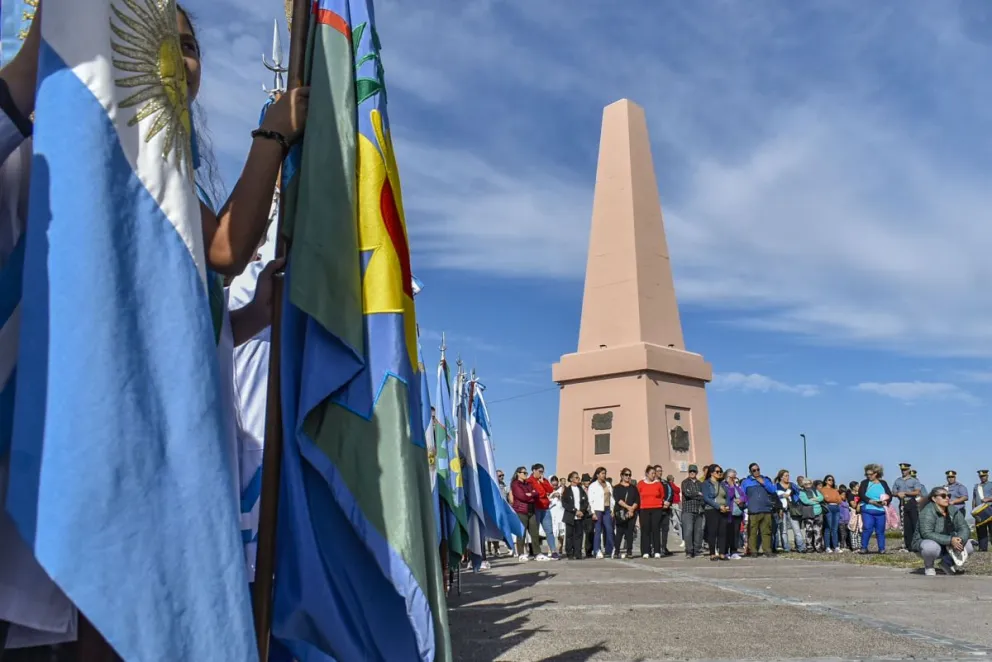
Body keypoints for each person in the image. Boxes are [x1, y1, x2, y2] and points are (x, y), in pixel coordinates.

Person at [912, 487, 974, 576]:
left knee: (969, 546)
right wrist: (950, 540)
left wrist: (959, 539)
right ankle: (929, 566)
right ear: (934, 498)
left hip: (948, 544)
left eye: (948, 495)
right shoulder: (927, 511)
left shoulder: (953, 510)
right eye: (943, 496)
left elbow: (964, 527)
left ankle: (947, 563)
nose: (947, 498)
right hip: (926, 544)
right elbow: (927, 533)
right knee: (930, 547)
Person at [742, 463, 778, 556]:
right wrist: (747, 504)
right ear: (750, 472)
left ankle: (767, 550)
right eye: (754, 470)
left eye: (758, 469)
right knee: (752, 532)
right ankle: (753, 551)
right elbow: (742, 495)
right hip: (753, 510)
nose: (757, 471)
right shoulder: (746, 482)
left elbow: (773, 490)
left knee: (766, 532)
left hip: (766, 509)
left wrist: (763, 483)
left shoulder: (765, 479)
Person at [510, 467, 545, 561]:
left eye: (526, 473)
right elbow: (522, 497)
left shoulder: (529, 484)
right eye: (524, 473)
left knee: (534, 532)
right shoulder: (515, 484)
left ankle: (537, 553)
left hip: (531, 511)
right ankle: (521, 553)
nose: (526, 474)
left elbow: (537, 494)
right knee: (521, 533)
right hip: (521, 511)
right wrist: (530, 495)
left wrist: (531, 494)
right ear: (518, 473)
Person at [857, 463, 892, 553]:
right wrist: (871, 501)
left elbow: (889, 495)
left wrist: (885, 502)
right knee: (867, 528)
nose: (868, 476)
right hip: (868, 509)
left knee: (880, 531)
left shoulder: (883, 483)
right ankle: (864, 547)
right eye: (867, 474)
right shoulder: (864, 483)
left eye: (870, 474)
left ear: (876, 473)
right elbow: (861, 494)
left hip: (881, 510)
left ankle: (882, 549)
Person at [527, 464, 559, 560]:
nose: (541, 473)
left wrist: (543, 483)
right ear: (534, 470)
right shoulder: (529, 481)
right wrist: (543, 492)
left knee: (549, 531)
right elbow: (538, 493)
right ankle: (536, 551)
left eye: (542, 471)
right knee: (534, 531)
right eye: (540, 471)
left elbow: (550, 489)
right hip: (536, 508)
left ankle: (553, 551)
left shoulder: (544, 480)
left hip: (545, 508)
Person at [701, 464, 730, 561]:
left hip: (723, 510)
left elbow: (728, 496)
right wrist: (718, 506)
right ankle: (712, 553)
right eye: (717, 471)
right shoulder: (706, 484)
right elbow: (706, 498)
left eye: (720, 471)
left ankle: (722, 553)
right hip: (712, 509)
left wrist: (727, 506)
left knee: (723, 532)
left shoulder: (722, 484)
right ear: (712, 473)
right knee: (712, 532)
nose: (720, 473)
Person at [892, 463, 923, 553]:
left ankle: (916, 544)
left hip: (912, 502)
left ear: (909, 470)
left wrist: (905, 493)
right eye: (902, 470)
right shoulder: (898, 481)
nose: (903, 471)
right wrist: (897, 494)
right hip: (902, 503)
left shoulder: (914, 480)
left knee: (915, 524)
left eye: (905, 470)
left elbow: (917, 491)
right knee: (906, 525)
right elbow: (893, 491)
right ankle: (908, 545)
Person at [637, 465, 666, 558]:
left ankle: (657, 550)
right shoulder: (641, 483)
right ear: (647, 474)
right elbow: (637, 495)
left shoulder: (658, 484)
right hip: (644, 509)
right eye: (652, 473)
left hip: (656, 508)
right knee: (645, 530)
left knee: (656, 529)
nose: (654, 475)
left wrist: (659, 503)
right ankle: (646, 551)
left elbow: (662, 495)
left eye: (654, 473)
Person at [587, 467, 615, 559]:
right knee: (598, 531)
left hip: (607, 509)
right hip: (597, 510)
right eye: (602, 473)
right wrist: (593, 512)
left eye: (605, 473)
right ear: (597, 475)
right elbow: (590, 500)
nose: (604, 475)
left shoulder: (608, 484)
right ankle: (597, 550)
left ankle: (609, 550)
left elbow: (611, 498)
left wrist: (612, 509)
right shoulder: (593, 486)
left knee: (609, 529)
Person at [561, 472, 589, 560]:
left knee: (579, 535)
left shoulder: (581, 489)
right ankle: (569, 553)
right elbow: (564, 503)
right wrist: (574, 511)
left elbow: (585, 501)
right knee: (569, 535)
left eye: (578, 477)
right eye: (576, 477)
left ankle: (578, 553)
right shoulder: (567, 490)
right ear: (571, 479)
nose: (578, 479)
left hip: (580, 516)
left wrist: (582, 511)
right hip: (570, 516)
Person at [612, 468, 639, 559]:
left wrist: (632, 510)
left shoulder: (633, 488)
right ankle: (616, 551)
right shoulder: (616, 488)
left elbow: (637, 500)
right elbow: (618, 500)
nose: (628, 477)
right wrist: (628, 508)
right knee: (619, 532)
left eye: (629, 475)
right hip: (620, 513)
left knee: (629, 533)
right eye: (626, 475)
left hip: (631, 513)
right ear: (622, 476)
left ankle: (629, 551)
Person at [680, 465, 705, 558]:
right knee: (688, 530)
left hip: (699, 510)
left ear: (696, 472)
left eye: (694, 471)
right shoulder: (685, 482)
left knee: (698, 531)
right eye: (691, 471)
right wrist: (698, 493)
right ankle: (689, 551)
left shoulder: (700, 483)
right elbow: (687, 493)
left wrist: (697, 495)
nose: (692, 473)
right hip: (688, 510)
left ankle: (697, 550)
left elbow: (703, 496)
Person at [724, 469, 746, 559]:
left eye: (735, 477)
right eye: (733, 477)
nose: (734, 479)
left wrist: (741, 500)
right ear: (728, 477)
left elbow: (745, 497)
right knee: (727, 533)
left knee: (736, 534)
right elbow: (729, 496)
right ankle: (725, 552)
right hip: (728, 513)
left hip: (738, 513)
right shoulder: (723, 486)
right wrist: (731, 486)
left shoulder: (737, 487)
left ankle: (734, 551)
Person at [798, 478, 825, 552]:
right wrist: (816, 501)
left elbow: (821, 498)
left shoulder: (815, 491)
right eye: (806, 484)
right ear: (803, 485)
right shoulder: (802, 492)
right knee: (809, 531)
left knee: (818, 531)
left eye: (809, 483)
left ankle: (818, 547)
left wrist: (813, 499)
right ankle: (809, 547)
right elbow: (805, 501)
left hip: (818, 513)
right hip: (809, 514)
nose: (808, 485)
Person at [820, 475, 843, 553]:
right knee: (828, 528)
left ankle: (836, 546)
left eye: (832, 480)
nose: (831, 481)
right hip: (828, 508)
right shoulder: (822, 490)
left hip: (836, 508)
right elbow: (826, 499)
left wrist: (831, 499)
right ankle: (827, 547)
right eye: (829, 480)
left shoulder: (835, 490)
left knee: (835, 528)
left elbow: (839, 500)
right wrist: (832, 499)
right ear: (825, 481)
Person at [973, 469, 991, 552]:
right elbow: (974, 499)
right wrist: (973, 510)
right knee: (981, 530)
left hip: (990, 509)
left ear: (987, 476)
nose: (982, 477)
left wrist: (989, 499)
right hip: (979, 511)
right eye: (981, 476)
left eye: (984, 476)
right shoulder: (976, 486)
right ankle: (983, 548)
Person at [667, 474, 684, 548]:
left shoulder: (670, 485)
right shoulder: (670, 484)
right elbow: (677, 490)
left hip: (675, 503)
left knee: (676, 517)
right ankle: (676, 529)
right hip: (674, 503)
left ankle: (676, 529)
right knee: (676, 518)